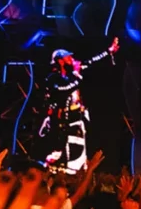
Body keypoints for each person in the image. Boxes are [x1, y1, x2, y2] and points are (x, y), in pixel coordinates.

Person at [36, 38, 119, 174]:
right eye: (68, 57)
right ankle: (56, 172)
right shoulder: (53, 78)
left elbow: (92, 62)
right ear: (60, 60)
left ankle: (77, 170)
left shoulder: (73, 74)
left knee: (79, 146)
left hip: (77, 117)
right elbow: (62, 90)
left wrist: (108, 52)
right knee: (62, 148)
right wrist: (77, 77)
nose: (72, 59)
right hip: (61, 120)